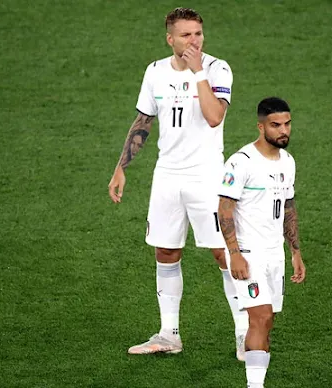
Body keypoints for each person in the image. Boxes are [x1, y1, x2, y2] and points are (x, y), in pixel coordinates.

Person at [107, 7, 249, 359]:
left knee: (224, 252)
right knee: (166, 251)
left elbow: (215, 117)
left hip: (206, 177)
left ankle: (245, 334)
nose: (194, 41)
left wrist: (198, 71)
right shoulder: (155, 72)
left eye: (198, 34)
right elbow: (143, 120)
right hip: (167, 176)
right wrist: (121, 166)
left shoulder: (217, 68)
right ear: (170, 38)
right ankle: (169, 335)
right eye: (185, 35)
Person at [217, 97, 306, 387]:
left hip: (274, 253)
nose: (284, 131)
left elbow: (288, 207)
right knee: (260, 316)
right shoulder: (241, 162)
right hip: (248, 252)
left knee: (268, 321)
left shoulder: (288, 162)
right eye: (276, 125)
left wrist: (295, 251)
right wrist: (235, 255)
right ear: (260, 126)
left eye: (287, 124)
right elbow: (224, 209)